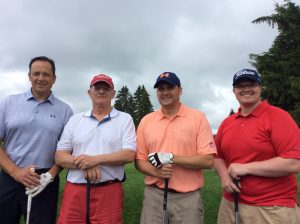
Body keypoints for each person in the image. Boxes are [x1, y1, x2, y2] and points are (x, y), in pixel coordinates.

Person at [214, 68, 300, 224]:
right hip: (230, 203)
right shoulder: (227, 122)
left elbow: (294, 162)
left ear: (260, 88)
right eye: (240, 86)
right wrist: (224, 177)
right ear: (234, 90)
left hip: (271, 207)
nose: (246, 89)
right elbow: (217, 156)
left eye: (251, 84)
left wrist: (246, 167)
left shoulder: (279, 117)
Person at [135, 72, 217, 224]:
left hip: (188, 198)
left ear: (180, 90)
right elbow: (139, 160)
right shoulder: (146, 121)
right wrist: (156, 172)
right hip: (154, 196)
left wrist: (171, 158)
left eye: (170, 88)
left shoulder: (198, 118)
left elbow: (208, 160)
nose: (165, 92)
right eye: (161, 89)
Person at [0, 56, 73, 224]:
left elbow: (66, 152)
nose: (41, 78)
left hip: (44, 182)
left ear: (54, 79)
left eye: (46, 74)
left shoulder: (65, 111)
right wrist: (15, 172)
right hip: (10, 176)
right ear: (29, 76)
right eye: (36, 74)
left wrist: (49, 176)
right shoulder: (8, 103)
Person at [55, 74, 136, 224]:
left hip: (109, 191)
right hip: (75, 190)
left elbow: (128, 154)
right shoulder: (75, 120)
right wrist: (84, 164)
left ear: (113, 93)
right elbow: (60, 156)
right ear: (89, 92)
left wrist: (95, 160)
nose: (101, 91)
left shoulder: (125, 119)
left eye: (106, 88)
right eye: (97, 87)